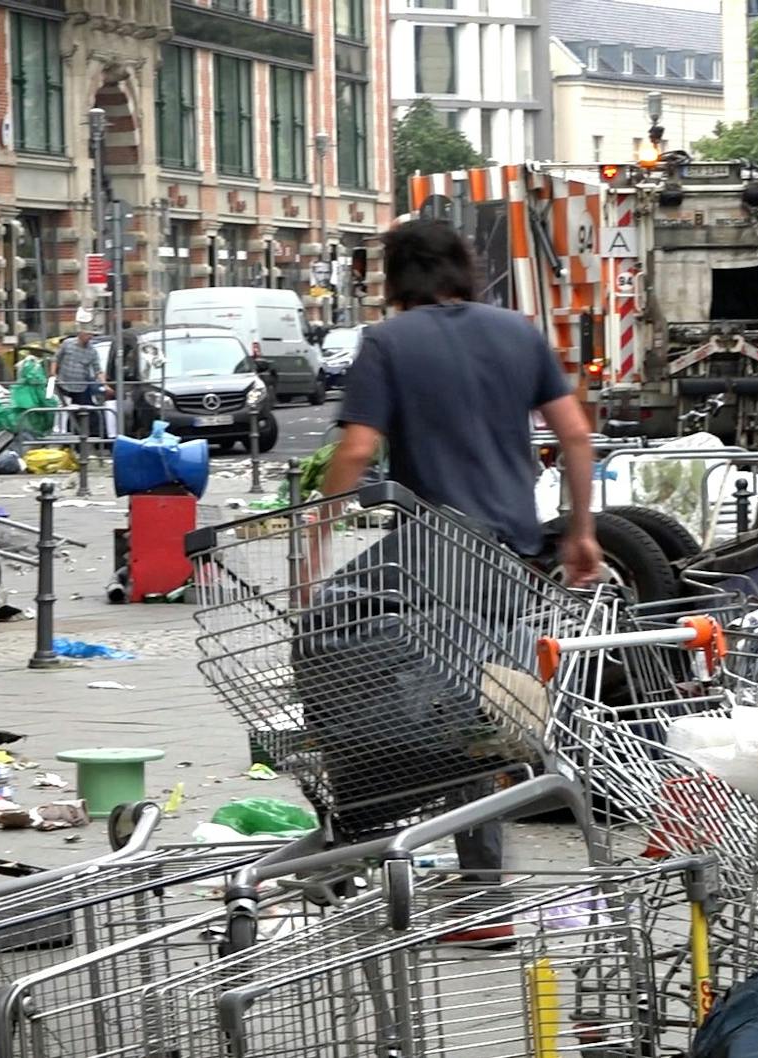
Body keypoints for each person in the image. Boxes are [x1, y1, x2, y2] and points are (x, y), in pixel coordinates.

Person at [318, 218, 602, 880]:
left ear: (394, 276)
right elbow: (577, 437)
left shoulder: (386, 342)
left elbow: (358, 450)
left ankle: (357, 823)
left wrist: (314, 534)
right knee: (471, 706)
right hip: (514, 553)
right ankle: (479, 885)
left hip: (436, 553)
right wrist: (582, 532)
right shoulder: (517, 332)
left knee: (327, 641)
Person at [54, 313, 108, 437]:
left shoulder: (92, 352)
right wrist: (53, 374)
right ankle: (64, 435)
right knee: (64, 412)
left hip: (80, 387)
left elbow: (98, 370)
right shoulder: (68, 344)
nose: (90, 337)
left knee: (85, 412)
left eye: (92, 335)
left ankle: (85, 436)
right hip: (63, 385)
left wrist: (104, 385)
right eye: (88, 334)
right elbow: (56, 358)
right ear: (81, 334)